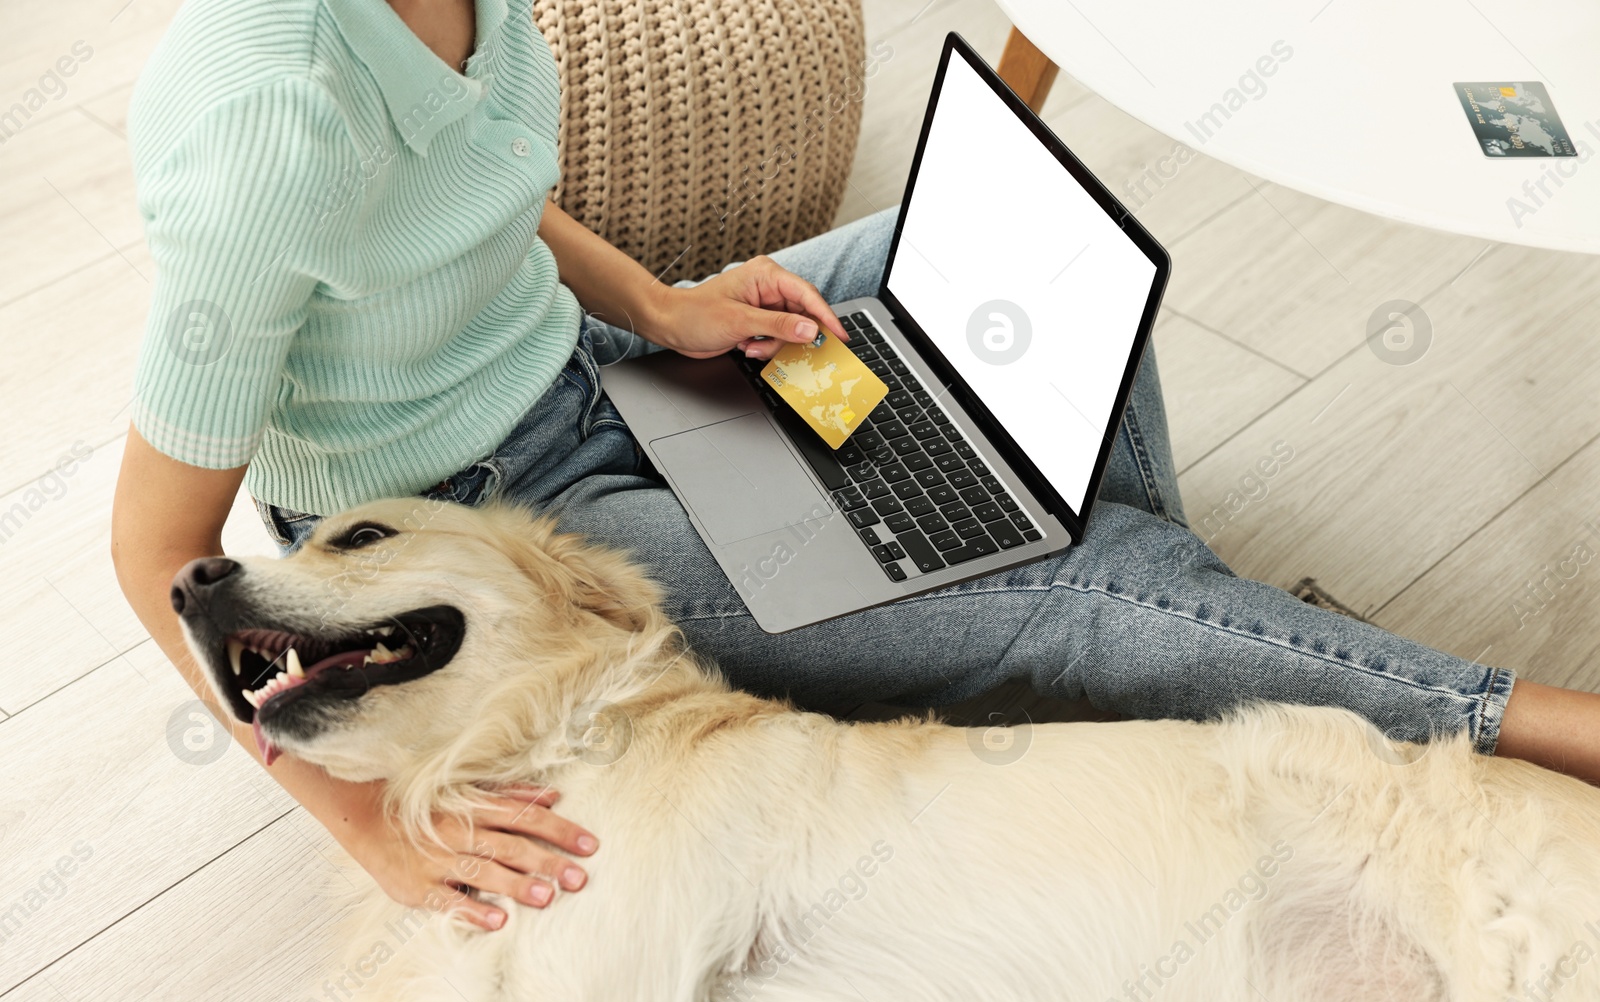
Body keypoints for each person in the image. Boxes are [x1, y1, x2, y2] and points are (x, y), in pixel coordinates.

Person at [112, 0, 1600, 934]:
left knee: (1008, 265)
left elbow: (485, 190)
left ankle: (1171, 627)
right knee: (1066, 589)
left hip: (596, 373)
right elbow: (151, 543)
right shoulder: (268, 109)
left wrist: (662, 307)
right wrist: (370, 830)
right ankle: (1495, 711)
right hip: (503, 525)